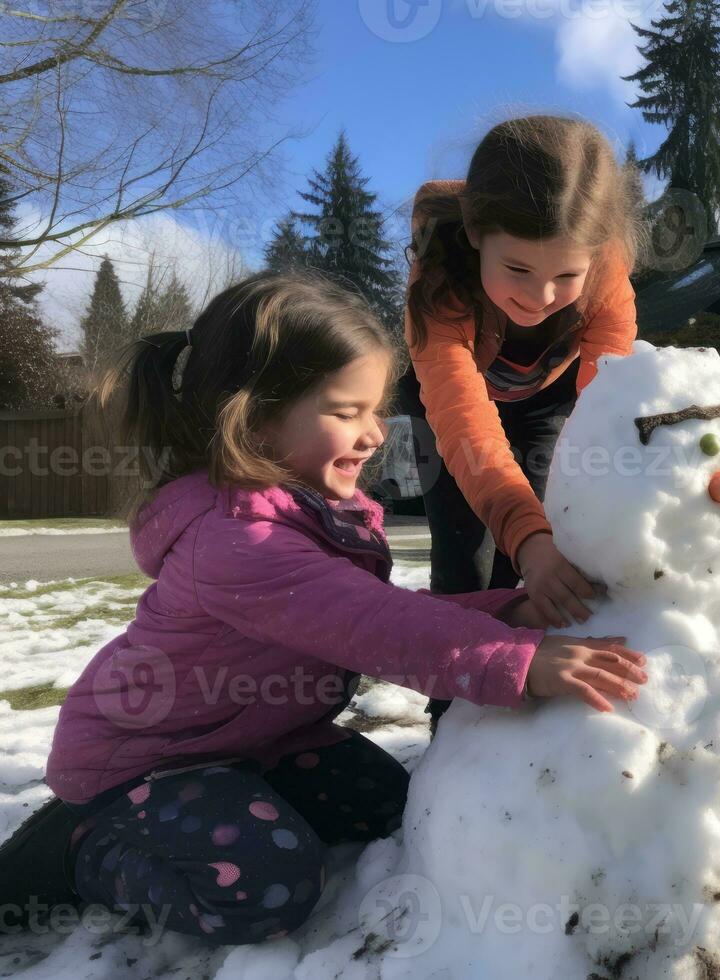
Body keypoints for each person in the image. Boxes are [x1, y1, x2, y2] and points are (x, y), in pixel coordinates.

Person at [0, 273, 647, 944]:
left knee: (386, 805)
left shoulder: (307, 515)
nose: (373, 435)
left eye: (375, 410)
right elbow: (371, 625)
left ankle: (238, 799)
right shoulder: (236, 541)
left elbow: (373, 608)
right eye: (346, 411)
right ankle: (84, 850)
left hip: (256, 741)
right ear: (252, 415)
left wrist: (509, 610)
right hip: (147, 763)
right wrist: (517, 660)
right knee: (264, 884)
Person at [402, 114, 643, 628]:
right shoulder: (439, 276)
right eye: (517, 269)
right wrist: (526, 533)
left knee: (532, 551)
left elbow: (608, 411)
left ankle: (517, 690)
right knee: (465, 559)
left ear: (595, 259)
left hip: (544, 403)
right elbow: (465, 421)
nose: (540, 297)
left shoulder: (609, 282)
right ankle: (451, 703)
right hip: (448, 403)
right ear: (474, 231)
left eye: (566, 275)